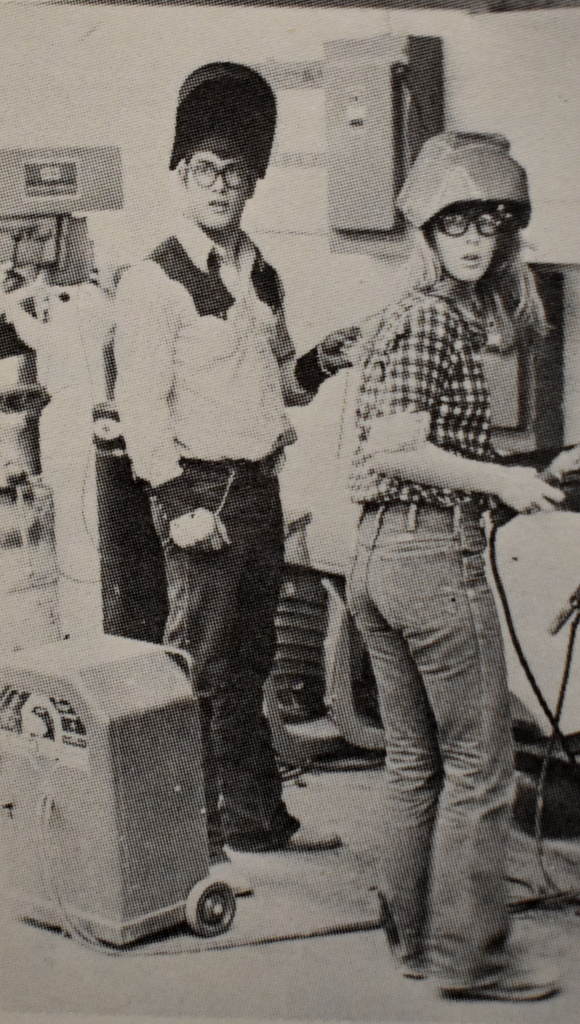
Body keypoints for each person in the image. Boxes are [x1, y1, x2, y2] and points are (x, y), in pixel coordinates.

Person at [115, 63, 351, 866]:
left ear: (253, 183)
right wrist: (178, 502)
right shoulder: (155, 282)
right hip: (200, 494)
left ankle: (257, 821)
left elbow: (282, 385)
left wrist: (323, 361)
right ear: (182, 175)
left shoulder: (261, 275)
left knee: (250, 666)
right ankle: (200, 848)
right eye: (205, 171)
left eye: (236, 174)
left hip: (256, 489)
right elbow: (140, 408)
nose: (220, 187)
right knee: (204, 669)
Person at [347, 132, 565, 1001]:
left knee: (414, 761)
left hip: (375, 556)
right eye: (455, 223)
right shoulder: (435, 316)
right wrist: (501, 479)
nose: (474, 240)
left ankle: (413, 942)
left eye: (488, 223)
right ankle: (470, 958)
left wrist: (493, 484)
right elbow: (400, 446)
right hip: (430, 557)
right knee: (480, 764)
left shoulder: (401, 314)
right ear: (426, 233)